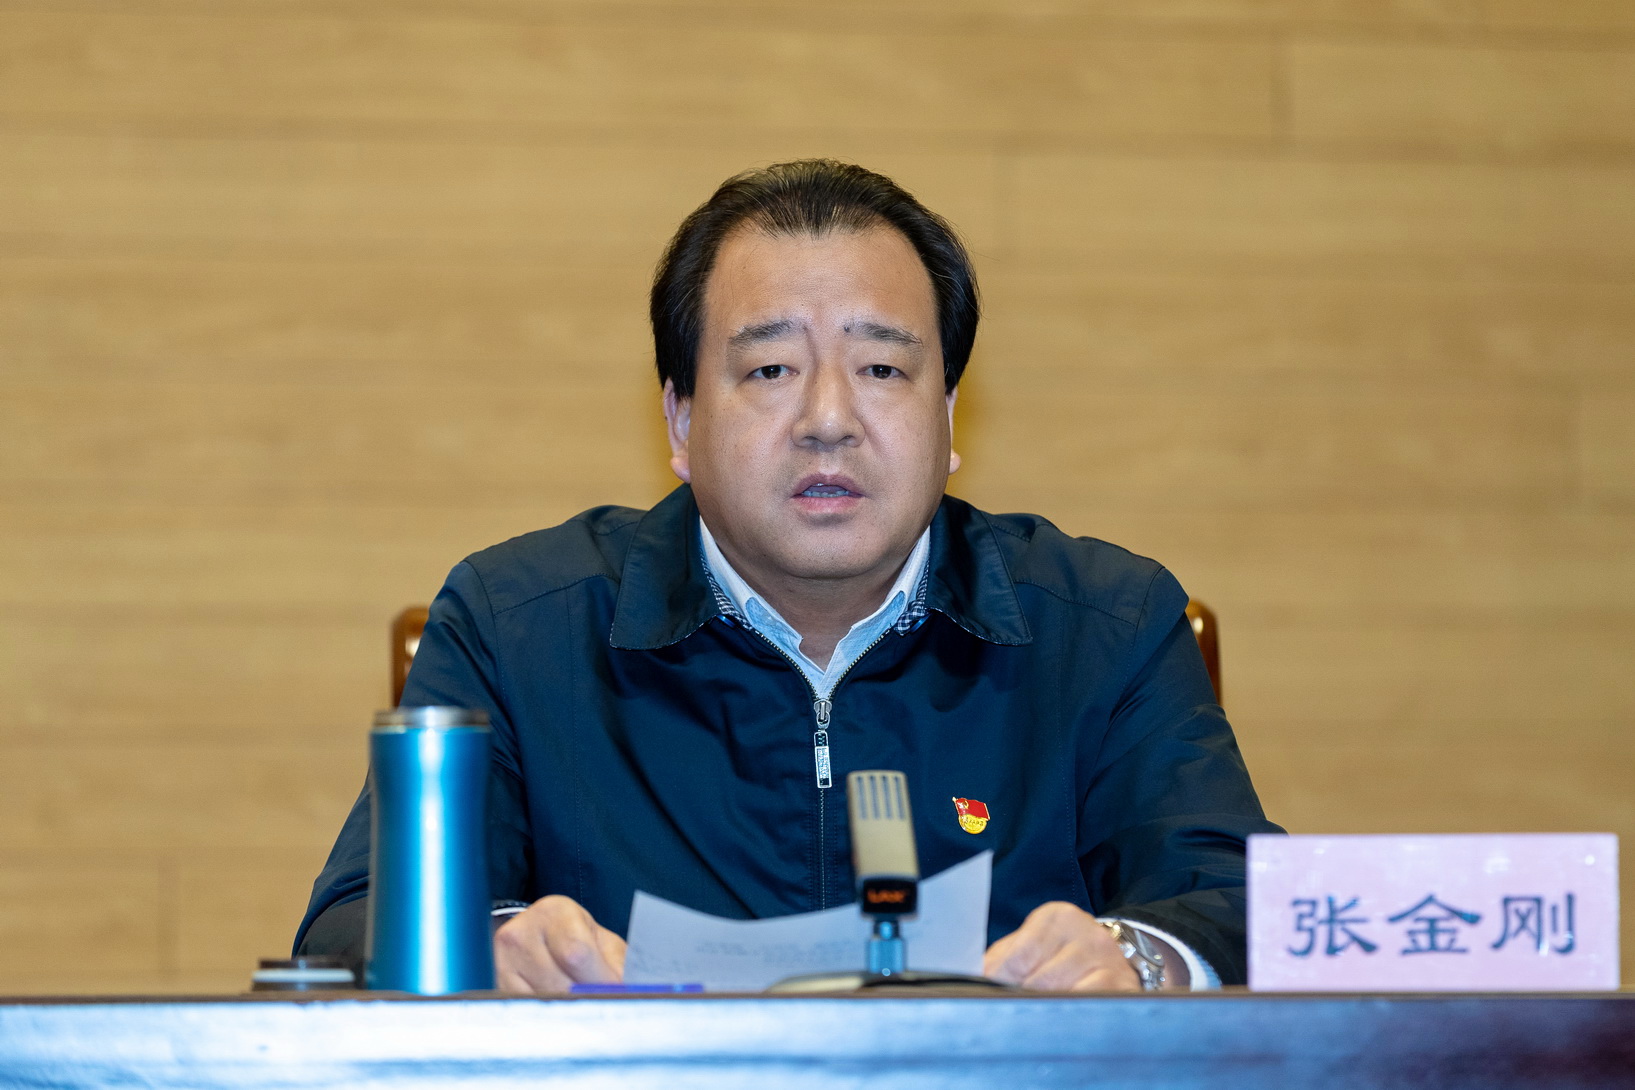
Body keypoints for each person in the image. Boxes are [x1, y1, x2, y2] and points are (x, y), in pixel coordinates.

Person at [296, 159, 1282, 992]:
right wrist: (492, 946)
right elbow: (352, 923)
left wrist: (1139, 958)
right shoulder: (519, 627)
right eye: (770, 370)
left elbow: (1244, 904)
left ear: (949, 417)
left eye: (882, 369)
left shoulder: (1104, 626)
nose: (827, 420)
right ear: (681, 419)